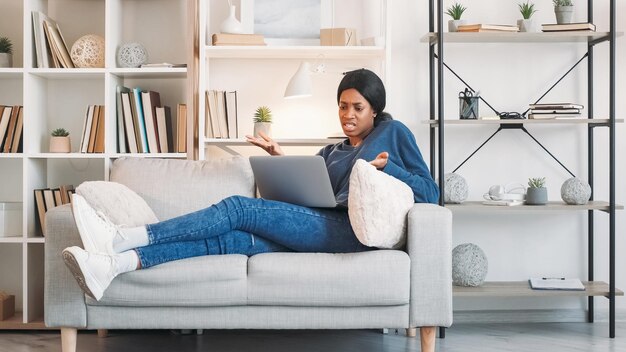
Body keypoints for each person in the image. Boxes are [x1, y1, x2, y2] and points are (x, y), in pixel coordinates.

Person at [62, 69, 439, 301]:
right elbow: (316, 187)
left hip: (348, 230)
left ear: (375, 108)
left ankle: (122, 238)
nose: (348, 115)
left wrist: (387, 171)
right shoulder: (333, 149)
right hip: (318, 221)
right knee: (235, 240)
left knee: (239, 208)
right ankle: (115, 264)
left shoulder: (393, 133)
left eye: (357, 107)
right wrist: (279, 156)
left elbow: (430, 191)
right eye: (342, 106)